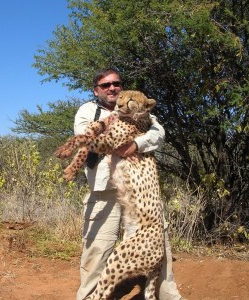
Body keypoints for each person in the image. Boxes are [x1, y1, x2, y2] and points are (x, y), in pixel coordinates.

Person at [75, 68, 183, 300]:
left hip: (140, 192)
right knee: (97, 251)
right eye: (105, 85)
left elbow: (159, 133)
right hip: (105, 191)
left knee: (157, 246)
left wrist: (137, 144)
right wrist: (119, 141)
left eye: (117, 83)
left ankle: (167, 296)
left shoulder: (138, 107)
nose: (112, 88)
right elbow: (87, 138)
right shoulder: (88, 110)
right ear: (96, 90)